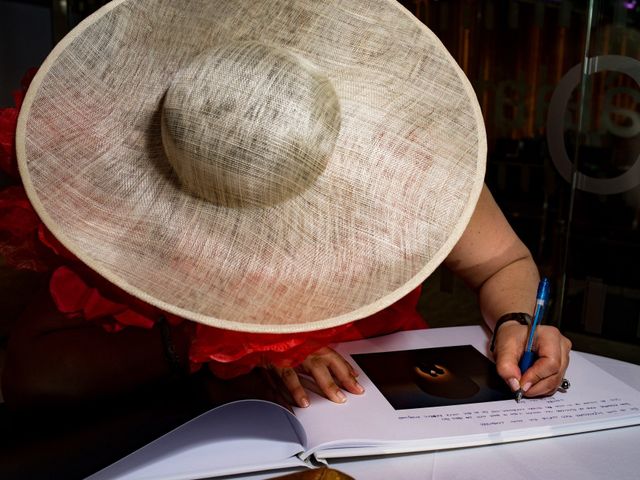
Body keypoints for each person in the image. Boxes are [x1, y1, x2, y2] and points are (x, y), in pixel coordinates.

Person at [1, 0, 570, 411]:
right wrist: (219, 347)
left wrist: (517, 322)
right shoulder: (118, 192)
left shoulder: (406, 164)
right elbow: (29, 374)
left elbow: (502, 263)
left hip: (376, 409)